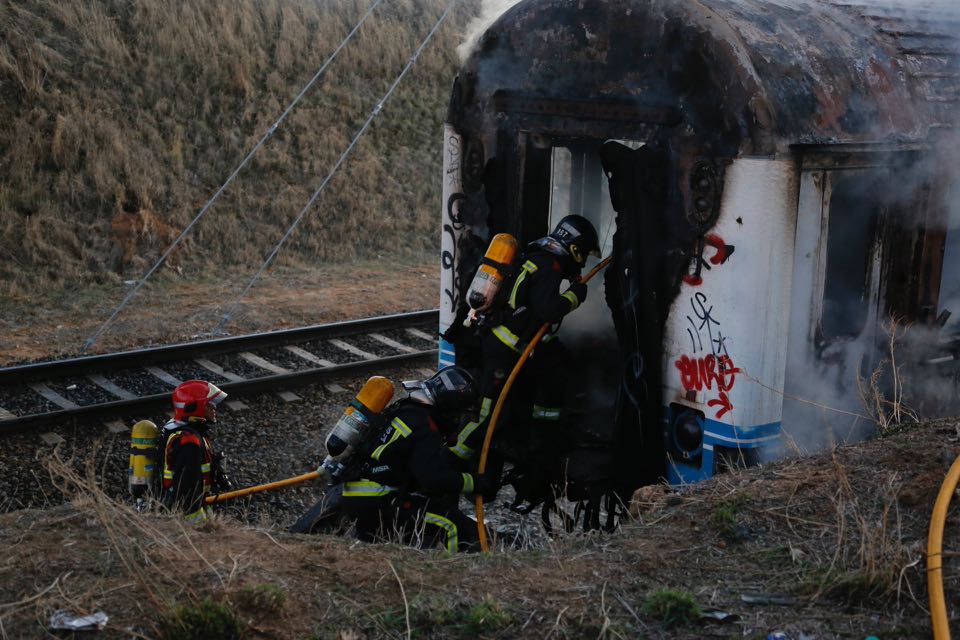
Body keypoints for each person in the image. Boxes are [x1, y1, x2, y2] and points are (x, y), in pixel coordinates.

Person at [449, 214, 601, 472]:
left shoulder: (537, 255)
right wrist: (576, 295)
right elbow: (547, 311)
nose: (584, 261)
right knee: (492, 414)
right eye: (583, 254)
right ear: (574, 249)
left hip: (499, 343)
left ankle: (532, 445)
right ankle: (453, 460)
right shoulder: (550, 267)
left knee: (545, 378)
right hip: (501, 350)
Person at [338, 366, 497, 553]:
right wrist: (475, 483)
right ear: (449, 408)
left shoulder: (407, 409)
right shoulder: (425, 426)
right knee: (454, 526)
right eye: (459, 414)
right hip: (380, 501)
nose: (458, 420)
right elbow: (433, 479)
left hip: (361, 498)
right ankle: (458, 575)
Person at [160, 379, 229, 524]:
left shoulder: (187, 431)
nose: (214, 408)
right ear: (195, 407)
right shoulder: (189, 441)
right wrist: (200, 526)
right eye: (210, 404)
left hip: (194, 503)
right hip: (186, 515)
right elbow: (186, 491)